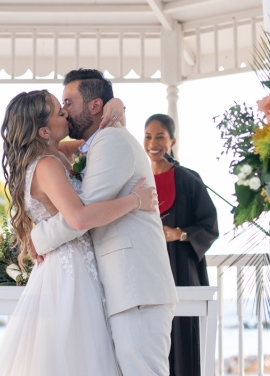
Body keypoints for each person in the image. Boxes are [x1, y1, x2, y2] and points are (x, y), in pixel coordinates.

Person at [0, 90, 159, 376]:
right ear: (44, 130)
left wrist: (115, 105)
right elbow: (79, 219)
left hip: (76, 263)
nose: (66, 113)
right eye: (59, 112)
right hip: (70, 270)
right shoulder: (46, 165)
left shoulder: (57, 153)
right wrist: (135, 201)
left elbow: (97, 136)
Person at [31, 69, 178, 376]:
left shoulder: (110, 140)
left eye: (69, 102)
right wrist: (119, 105)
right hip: (122, 290)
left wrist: (37, 238)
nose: (65, 110)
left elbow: (83, 212)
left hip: (136, 288)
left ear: (95, 106)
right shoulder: (90, 145)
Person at [144, 114, 219, 376]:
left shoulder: (189, 179)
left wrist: (179, 234)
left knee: (182, 339)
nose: (153, 142)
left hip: (181, 271)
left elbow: (209, 226)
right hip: (146, 271)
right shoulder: (138, 181)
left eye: (160, 136)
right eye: (148, 136)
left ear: (172, 140)